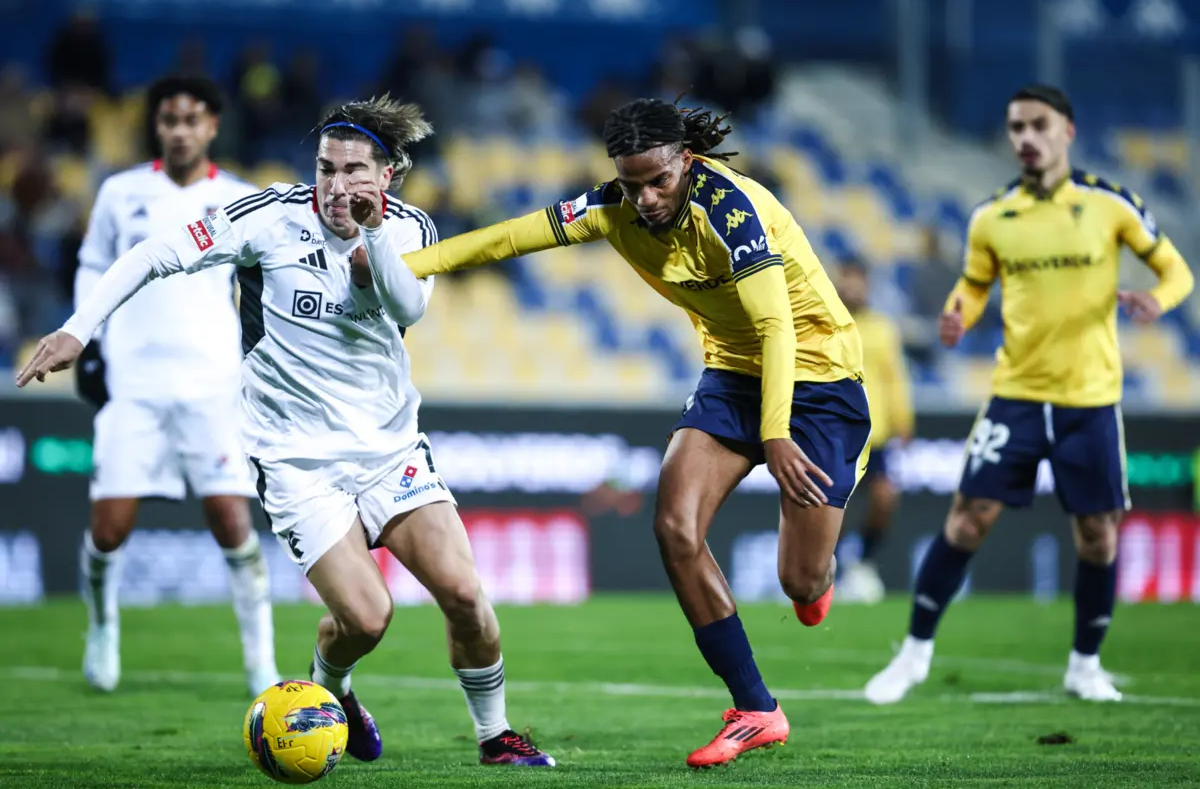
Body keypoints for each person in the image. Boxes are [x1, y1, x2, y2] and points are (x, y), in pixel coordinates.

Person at [16, 96, 554, 768]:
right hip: (298, 463)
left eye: (354, 171)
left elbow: (408, 304)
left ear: (386, 175)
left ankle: (494, 737)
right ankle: (336, 688)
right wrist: (78, 329)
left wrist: (372, 237)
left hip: (389, 451)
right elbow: (154, 254)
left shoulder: (410, 227)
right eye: (326, 169)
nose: (336, 186)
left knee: (466, 596)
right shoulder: (269, 218)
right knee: (367, 618)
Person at [400, 98, 871, 768]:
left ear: (687, 161)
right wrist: (404, 268)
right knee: (675, 527)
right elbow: (507, 238)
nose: (645, 199)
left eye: (658, 181)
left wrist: (776, 435)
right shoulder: (611, 208)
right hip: (733, 374)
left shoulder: (731, 210)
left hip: (819, 379)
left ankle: (815, 581)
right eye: (631, 183)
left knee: (799, 580)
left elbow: (777, 328)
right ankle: (757, 709)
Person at [864, 85, 1194, 705]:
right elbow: (973, 284)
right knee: (968, 518)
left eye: (1039, 125)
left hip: (1090, 400)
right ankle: (912, 656)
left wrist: (1158, 300)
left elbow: (1177, 271)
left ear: (1067, 130)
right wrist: (958, 314)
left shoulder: (1110, 205)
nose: (1026, 137)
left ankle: (1085, 666)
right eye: (1017, 127)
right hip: (1015, 395)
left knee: (1098, 534)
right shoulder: (992, 217)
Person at [72, 75, 278, 696]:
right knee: (108, 530)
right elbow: (92, 266)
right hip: (133, 384)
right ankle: (102, 627)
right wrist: (89, 342)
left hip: (212, 386)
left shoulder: (240, 199)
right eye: (169, 120)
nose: (180, 131)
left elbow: (259, 290)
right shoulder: (121, 192)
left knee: (232, 523)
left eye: (192, 120)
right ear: (157, 126)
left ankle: (260, 661)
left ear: (212, 125)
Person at [835, 256, 913, 603]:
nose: (852, 286)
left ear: (867, 284)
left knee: (884, 499)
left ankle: (864, 563)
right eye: (847, 279)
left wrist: (903, 420)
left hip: (876, 435)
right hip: (837, 433)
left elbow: (894, 377)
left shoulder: (883, 328)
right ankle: (828, 568)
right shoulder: (825, 321)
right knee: (833, 508)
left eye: (858, 280)